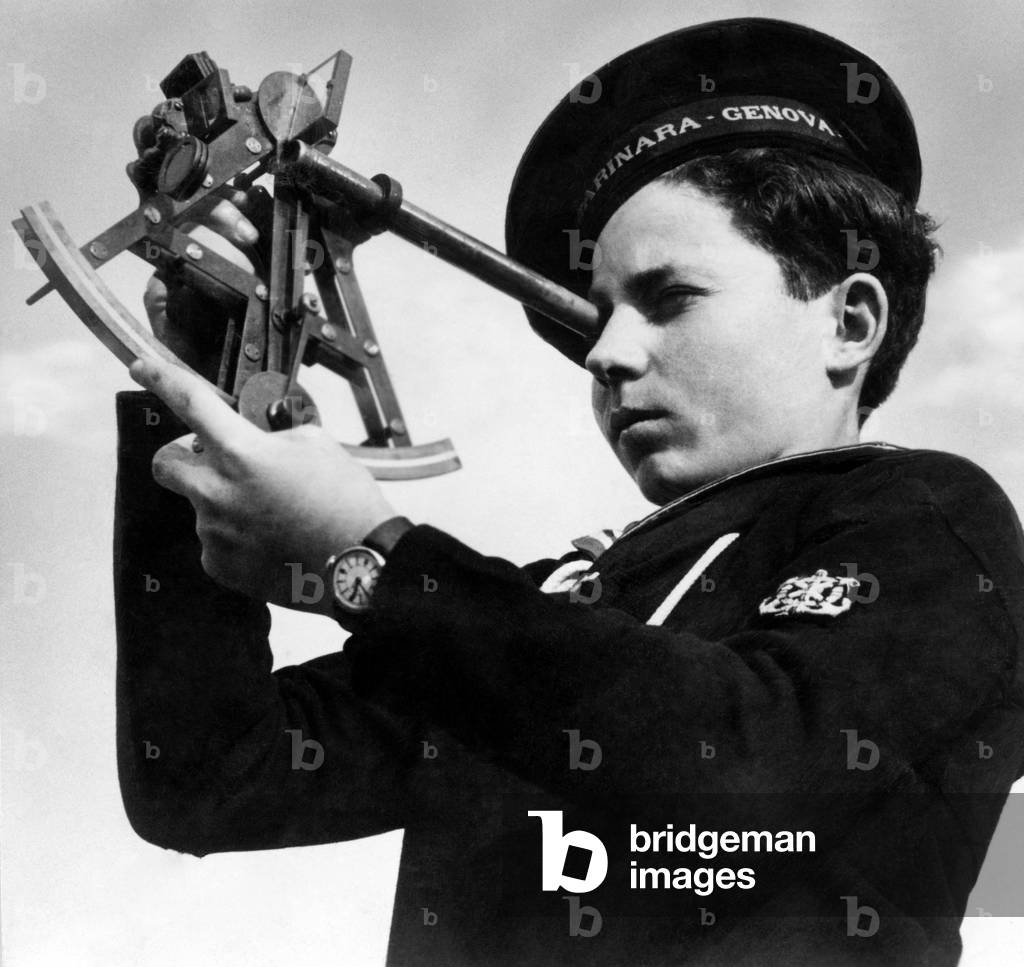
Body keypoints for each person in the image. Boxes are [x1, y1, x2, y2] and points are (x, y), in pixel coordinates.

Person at [114, 17, 1024, 967]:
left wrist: (375, 565)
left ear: (850, 321)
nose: (607, 351)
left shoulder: (927, 519)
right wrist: (199, 396)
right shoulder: (541, 613)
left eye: (670, 299)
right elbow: (208, 774)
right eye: (599, 316)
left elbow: (751, 769)